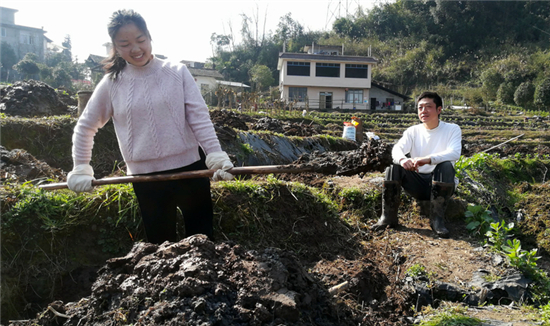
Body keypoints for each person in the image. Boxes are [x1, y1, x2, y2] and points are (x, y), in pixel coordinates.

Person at [67, 9, 234, 244]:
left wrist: (215, 154)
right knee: (159, 246)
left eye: (140, 40)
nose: (135, 49)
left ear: (149, 37)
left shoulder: (177, 73)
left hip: (190, 170)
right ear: (115, 46)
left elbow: (198, 117)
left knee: (202, 241)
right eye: (124, 44)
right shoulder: (111, 84)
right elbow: (85, 127)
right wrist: (81, 167)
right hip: (146, 179)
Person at [371, 91, 462, 238]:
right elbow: (397, 149)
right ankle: (389, 217)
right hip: (418, 183)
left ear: (439, 110)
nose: (423, 111)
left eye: (428, 107)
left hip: (441, 183)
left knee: (445, 166)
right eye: (420, 108)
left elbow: (454, 153)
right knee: (393, 166)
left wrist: (427, 159)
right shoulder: (413, 131)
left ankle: (437, 220)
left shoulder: (452, 129)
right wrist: (403, 160)